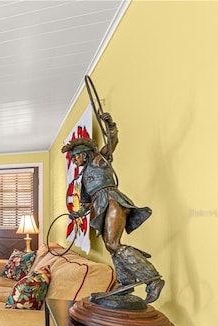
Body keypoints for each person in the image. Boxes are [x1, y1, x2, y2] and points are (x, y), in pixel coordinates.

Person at [61, 112, 164, 306]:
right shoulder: (83, 179)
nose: (74, 162)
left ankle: (153, 280)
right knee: (111, 245)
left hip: (113, 202)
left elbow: (112, 142)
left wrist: (110, 125)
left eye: (75, 158)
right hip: (102, 207)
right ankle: (126, 282)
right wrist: (77, 214)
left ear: (83, 154)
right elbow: (85, 205)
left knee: (114, 244)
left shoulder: (98, 160)